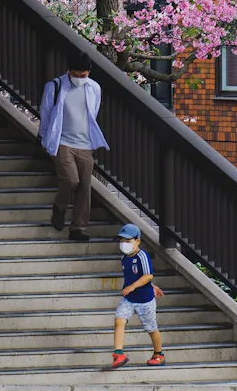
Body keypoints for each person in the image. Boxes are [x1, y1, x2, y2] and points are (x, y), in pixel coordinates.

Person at [38, 50, 109, 242]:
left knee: (84, 187)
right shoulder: (55, 86)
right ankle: (60, 207)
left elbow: (93, 114)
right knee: (71, 180)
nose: (79, 78)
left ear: (89, 72)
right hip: (62, 142)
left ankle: (79, 227)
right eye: (76, 74)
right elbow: (45, 113)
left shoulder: (94, 88)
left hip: (85, 143)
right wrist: (45, 138)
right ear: (69, 71)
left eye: (83, 75)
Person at [112, 223, 165, 369]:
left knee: (151, 328)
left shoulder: (142, 256)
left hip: (144, 300)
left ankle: (159, 354)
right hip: (129, 299)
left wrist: (134, 287)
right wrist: (150, 285)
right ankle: (118, 353)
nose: (124, 245)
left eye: (128, 241)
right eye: (122, 241)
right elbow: (136, 276)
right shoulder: (124, 258)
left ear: (138, 241)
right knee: (119, 320)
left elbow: (148, 275)